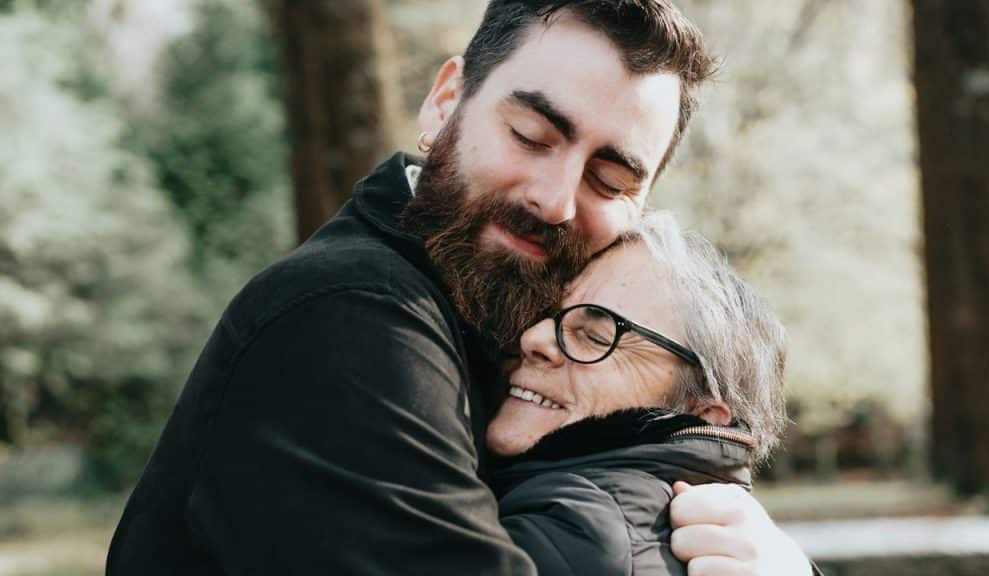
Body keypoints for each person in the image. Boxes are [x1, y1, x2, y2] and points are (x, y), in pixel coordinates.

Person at [107, 2, 816, 575]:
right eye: (532, 134)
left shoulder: (496, 324)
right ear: (445, 103)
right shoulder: (352, 319)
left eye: (610, 179)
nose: (556, 198)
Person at [487, 211, 788, 575]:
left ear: (700, 413)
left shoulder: (581, 532)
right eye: (543, 314)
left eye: (596, 337)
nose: (533, 339)